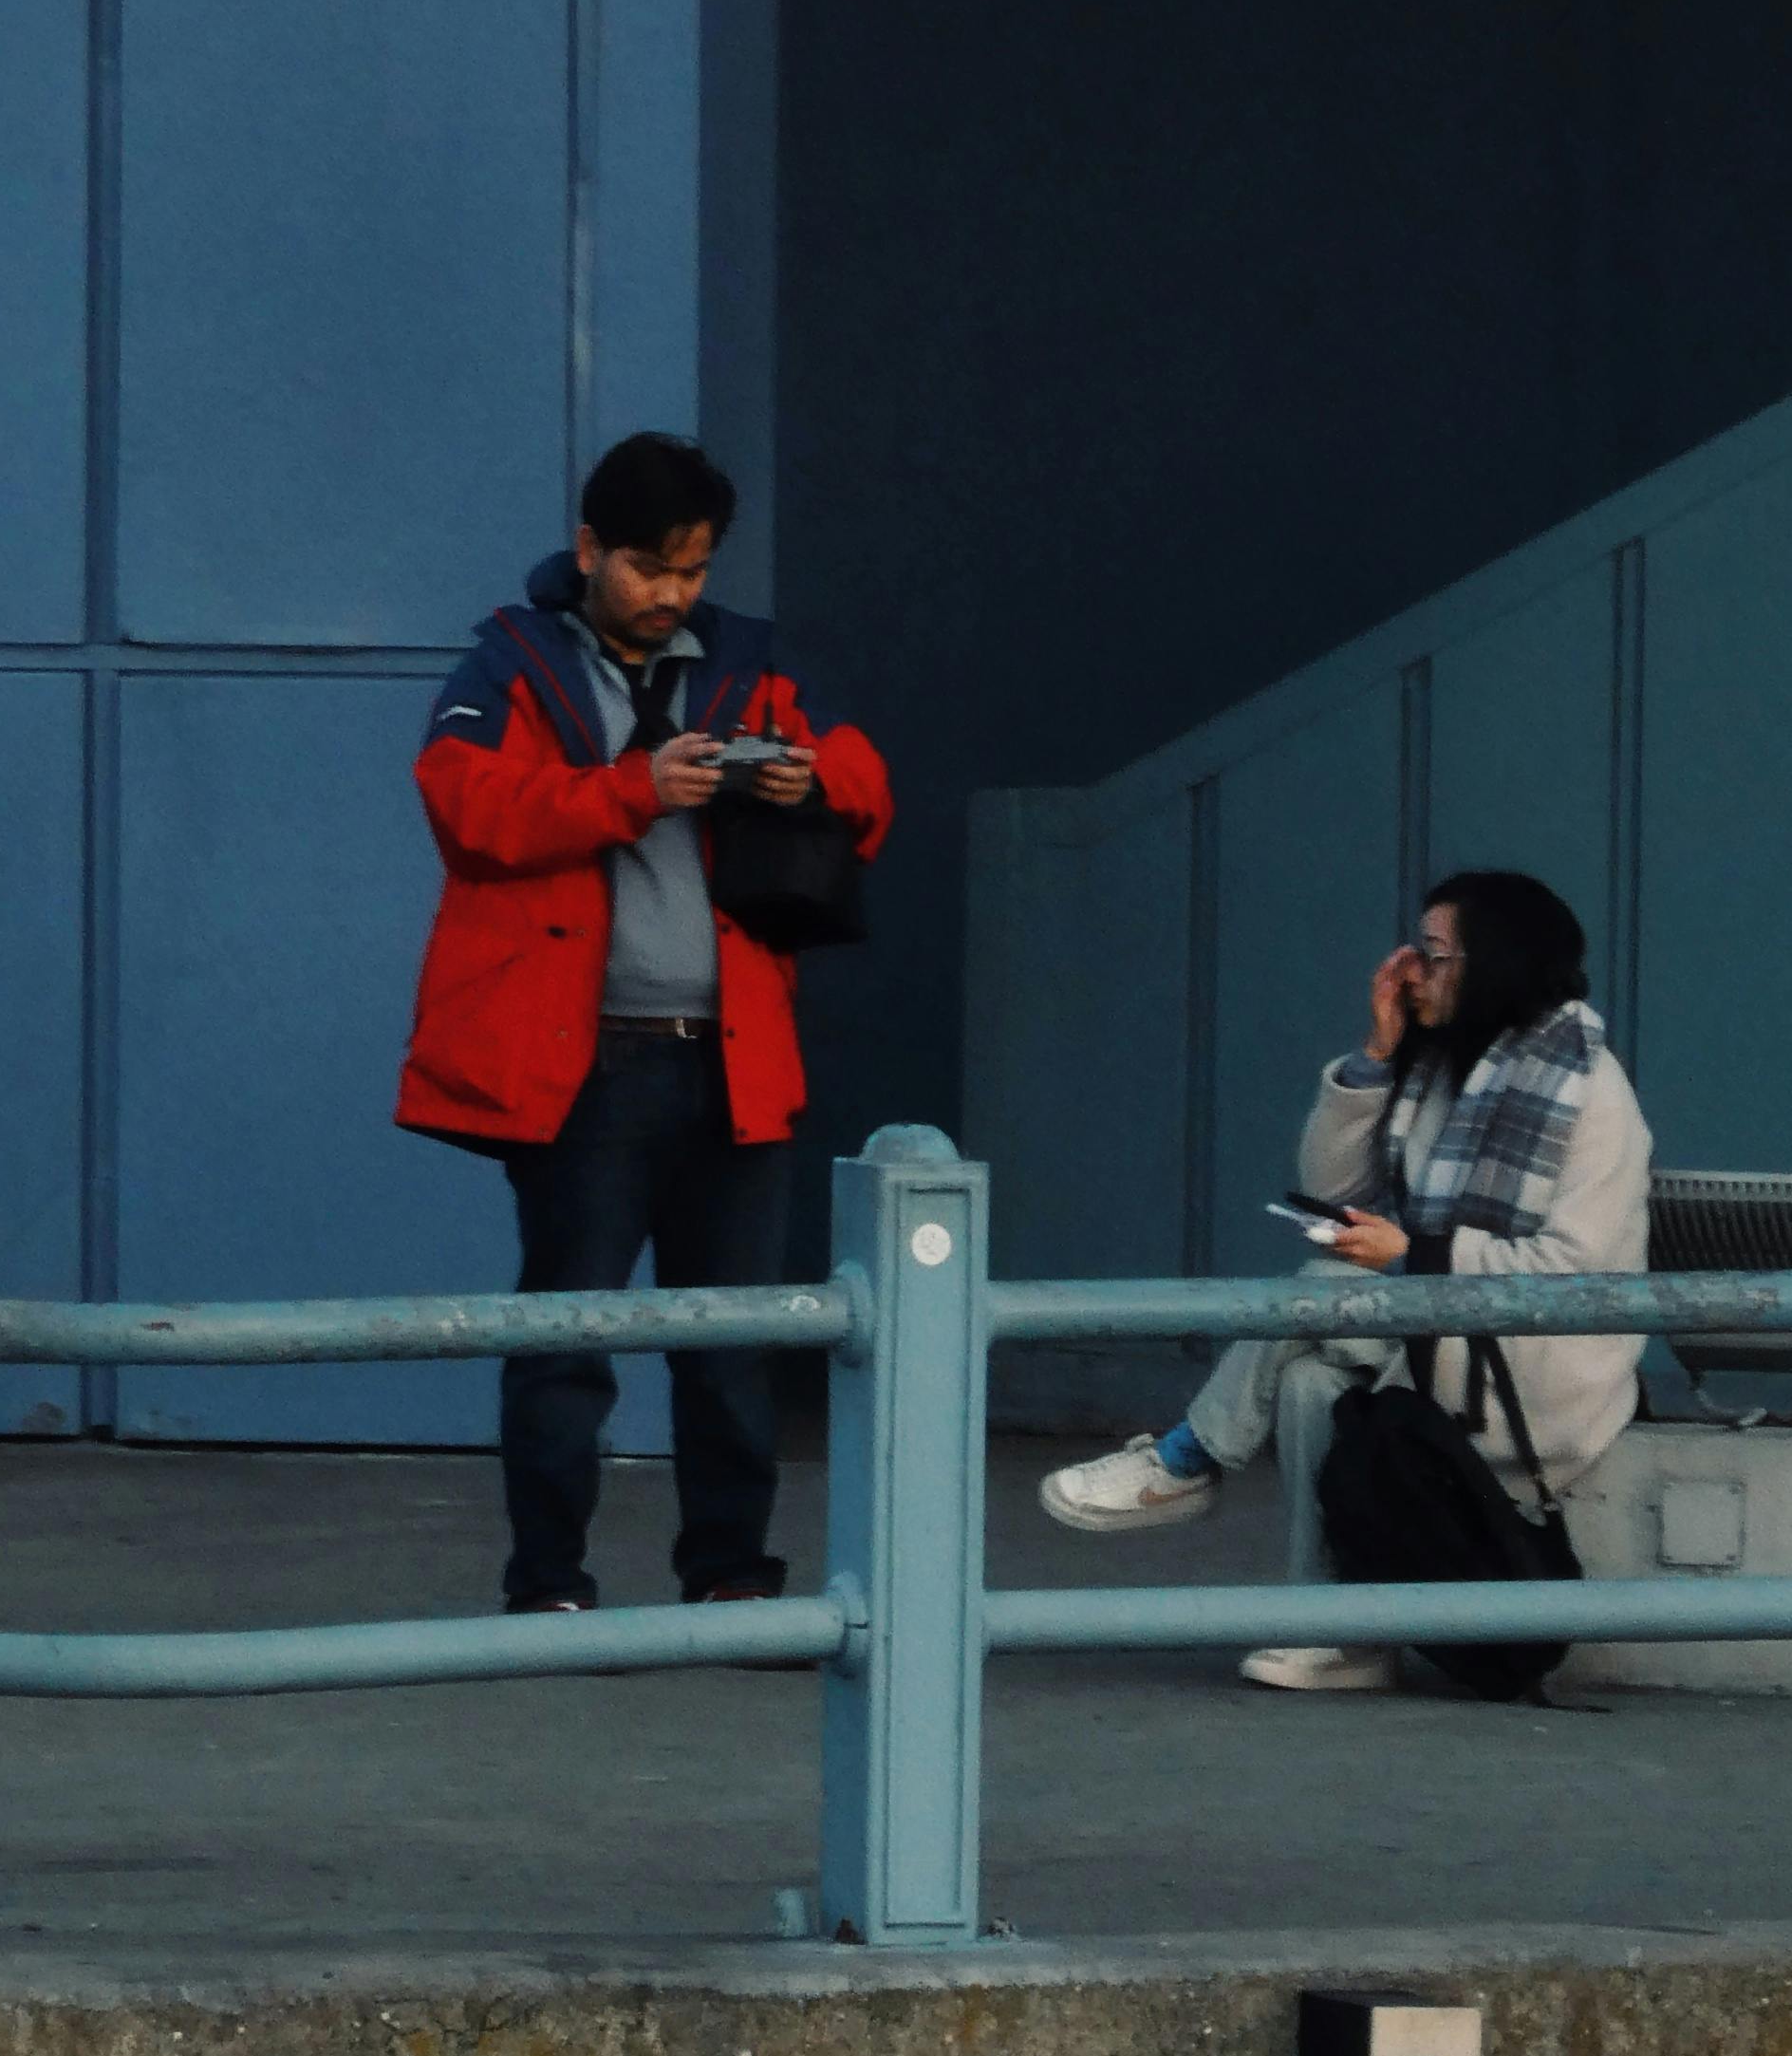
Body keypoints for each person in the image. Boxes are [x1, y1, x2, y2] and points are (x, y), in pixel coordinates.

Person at [397, 430, 892, 1616]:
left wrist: (809, 777)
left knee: (731, 1345)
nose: (674, 594)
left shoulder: (750, 665)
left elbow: (868, 778)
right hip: (587, 1069)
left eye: (694, 569)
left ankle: (730, 1577)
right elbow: (467, 808)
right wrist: (637, 787)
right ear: (590, 549)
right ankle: (548, 1585)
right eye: (651, 568)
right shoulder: (509, 666)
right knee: (567, 1343)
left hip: (735, 1062)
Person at [1036, 864, 1649, 1690]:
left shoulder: (1589, 1091)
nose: (1410, 971)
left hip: (1537, 1364)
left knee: (1322, 1288)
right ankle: (1344, 1635)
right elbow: (1334, 1187)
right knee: (1308, 1384)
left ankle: (1187, 1458)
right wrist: (1377, 1055)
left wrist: (1409, 1255)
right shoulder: (1443, 1069)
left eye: (1434, 954)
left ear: (1495, 962)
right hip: (1444, 1328)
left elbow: (1569, 1276)